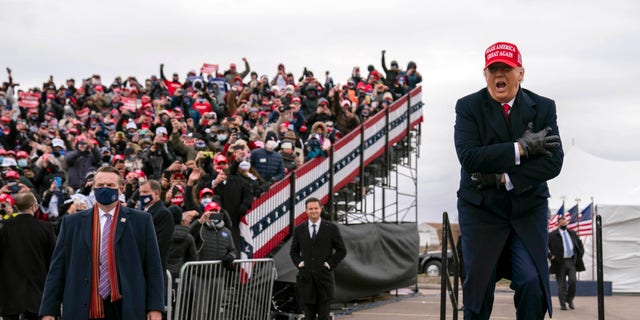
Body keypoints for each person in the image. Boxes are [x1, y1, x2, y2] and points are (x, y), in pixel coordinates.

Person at [453, 42, 563, 320]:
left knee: (531, 283)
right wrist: (522, 149)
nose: (499, 74)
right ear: (485, 74)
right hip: (481, 210)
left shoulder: (543, 107)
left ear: (521, 73)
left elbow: (553, 162)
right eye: (493, 69)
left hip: (527, 209)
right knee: (478, 289)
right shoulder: (468, 107)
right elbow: (469, 158)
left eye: (506, 68)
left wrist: (505, 177)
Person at [39, 166, 165, 320]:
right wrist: (48, 310)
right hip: (83, 305)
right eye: (100, 185)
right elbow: (57, 269)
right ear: (93, 188)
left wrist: (155, 307)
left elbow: (153, 267)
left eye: (110, 185)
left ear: (121, 188)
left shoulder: (141, 221)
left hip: (125, 307)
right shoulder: (72, 223)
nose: (104, 189)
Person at [0, 191, 56, 320]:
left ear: (16, 207)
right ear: (34, 206)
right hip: (37, 292)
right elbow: (53, 259)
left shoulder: (4, 228)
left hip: (9, 293)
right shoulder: (46, 228)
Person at [290, 197, 347, 320]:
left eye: (316, 208)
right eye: (310, 209)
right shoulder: (299, 229)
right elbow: (293, 251)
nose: (313, 211)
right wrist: (299, 263)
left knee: (323, 317)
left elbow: (342, 250)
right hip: (306, 280)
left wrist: (329, 264)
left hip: (324, 279)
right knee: (308, 316)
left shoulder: (331, 228)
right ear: (306, 211)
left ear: (321, 209)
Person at [548, 216, 585, 310]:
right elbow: (544, 247)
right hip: (559, 263)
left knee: (573, 282)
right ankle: (563, 304)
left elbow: (579, 244)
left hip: (571, 262)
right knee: (561, 285)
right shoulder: (552, 235)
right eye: (562, 224)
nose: (564, 225)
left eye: (565, 223)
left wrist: (579, 255)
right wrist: (550, 256)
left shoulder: (572, 233)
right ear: (558, 224)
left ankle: (569, 299)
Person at [139, 179, 175, 272]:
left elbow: (159, 244)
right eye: (140, 192)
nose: (142, 194)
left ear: (156, 193)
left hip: (152, 267)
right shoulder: (142, 212)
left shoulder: (163, 213)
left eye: (145, 192)